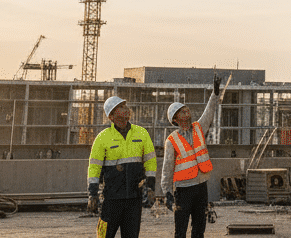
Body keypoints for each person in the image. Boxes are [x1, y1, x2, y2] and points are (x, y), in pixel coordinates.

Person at [88, 96, 158, 238]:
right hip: (111, 200)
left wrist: (150, 187)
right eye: (121, 107)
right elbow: (94, 168)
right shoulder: (102, 138)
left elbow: (150, 162)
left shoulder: (142, 133)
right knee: (103, 235)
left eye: (125, 106)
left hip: (134, 199)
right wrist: (92, 194)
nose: (126, 109)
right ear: (111, 116)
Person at [162, 75, 221, 238]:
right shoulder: (171, 140)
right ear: (175, 119)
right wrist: (166, 191)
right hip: (183, 190)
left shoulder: (199, 128)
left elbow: (209, 112)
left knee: (199, 229)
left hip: (201, 186)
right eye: (182, 111)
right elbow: (167, 168)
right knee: (180, 230)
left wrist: (215, 93)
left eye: (186, 109)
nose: (186, 112)